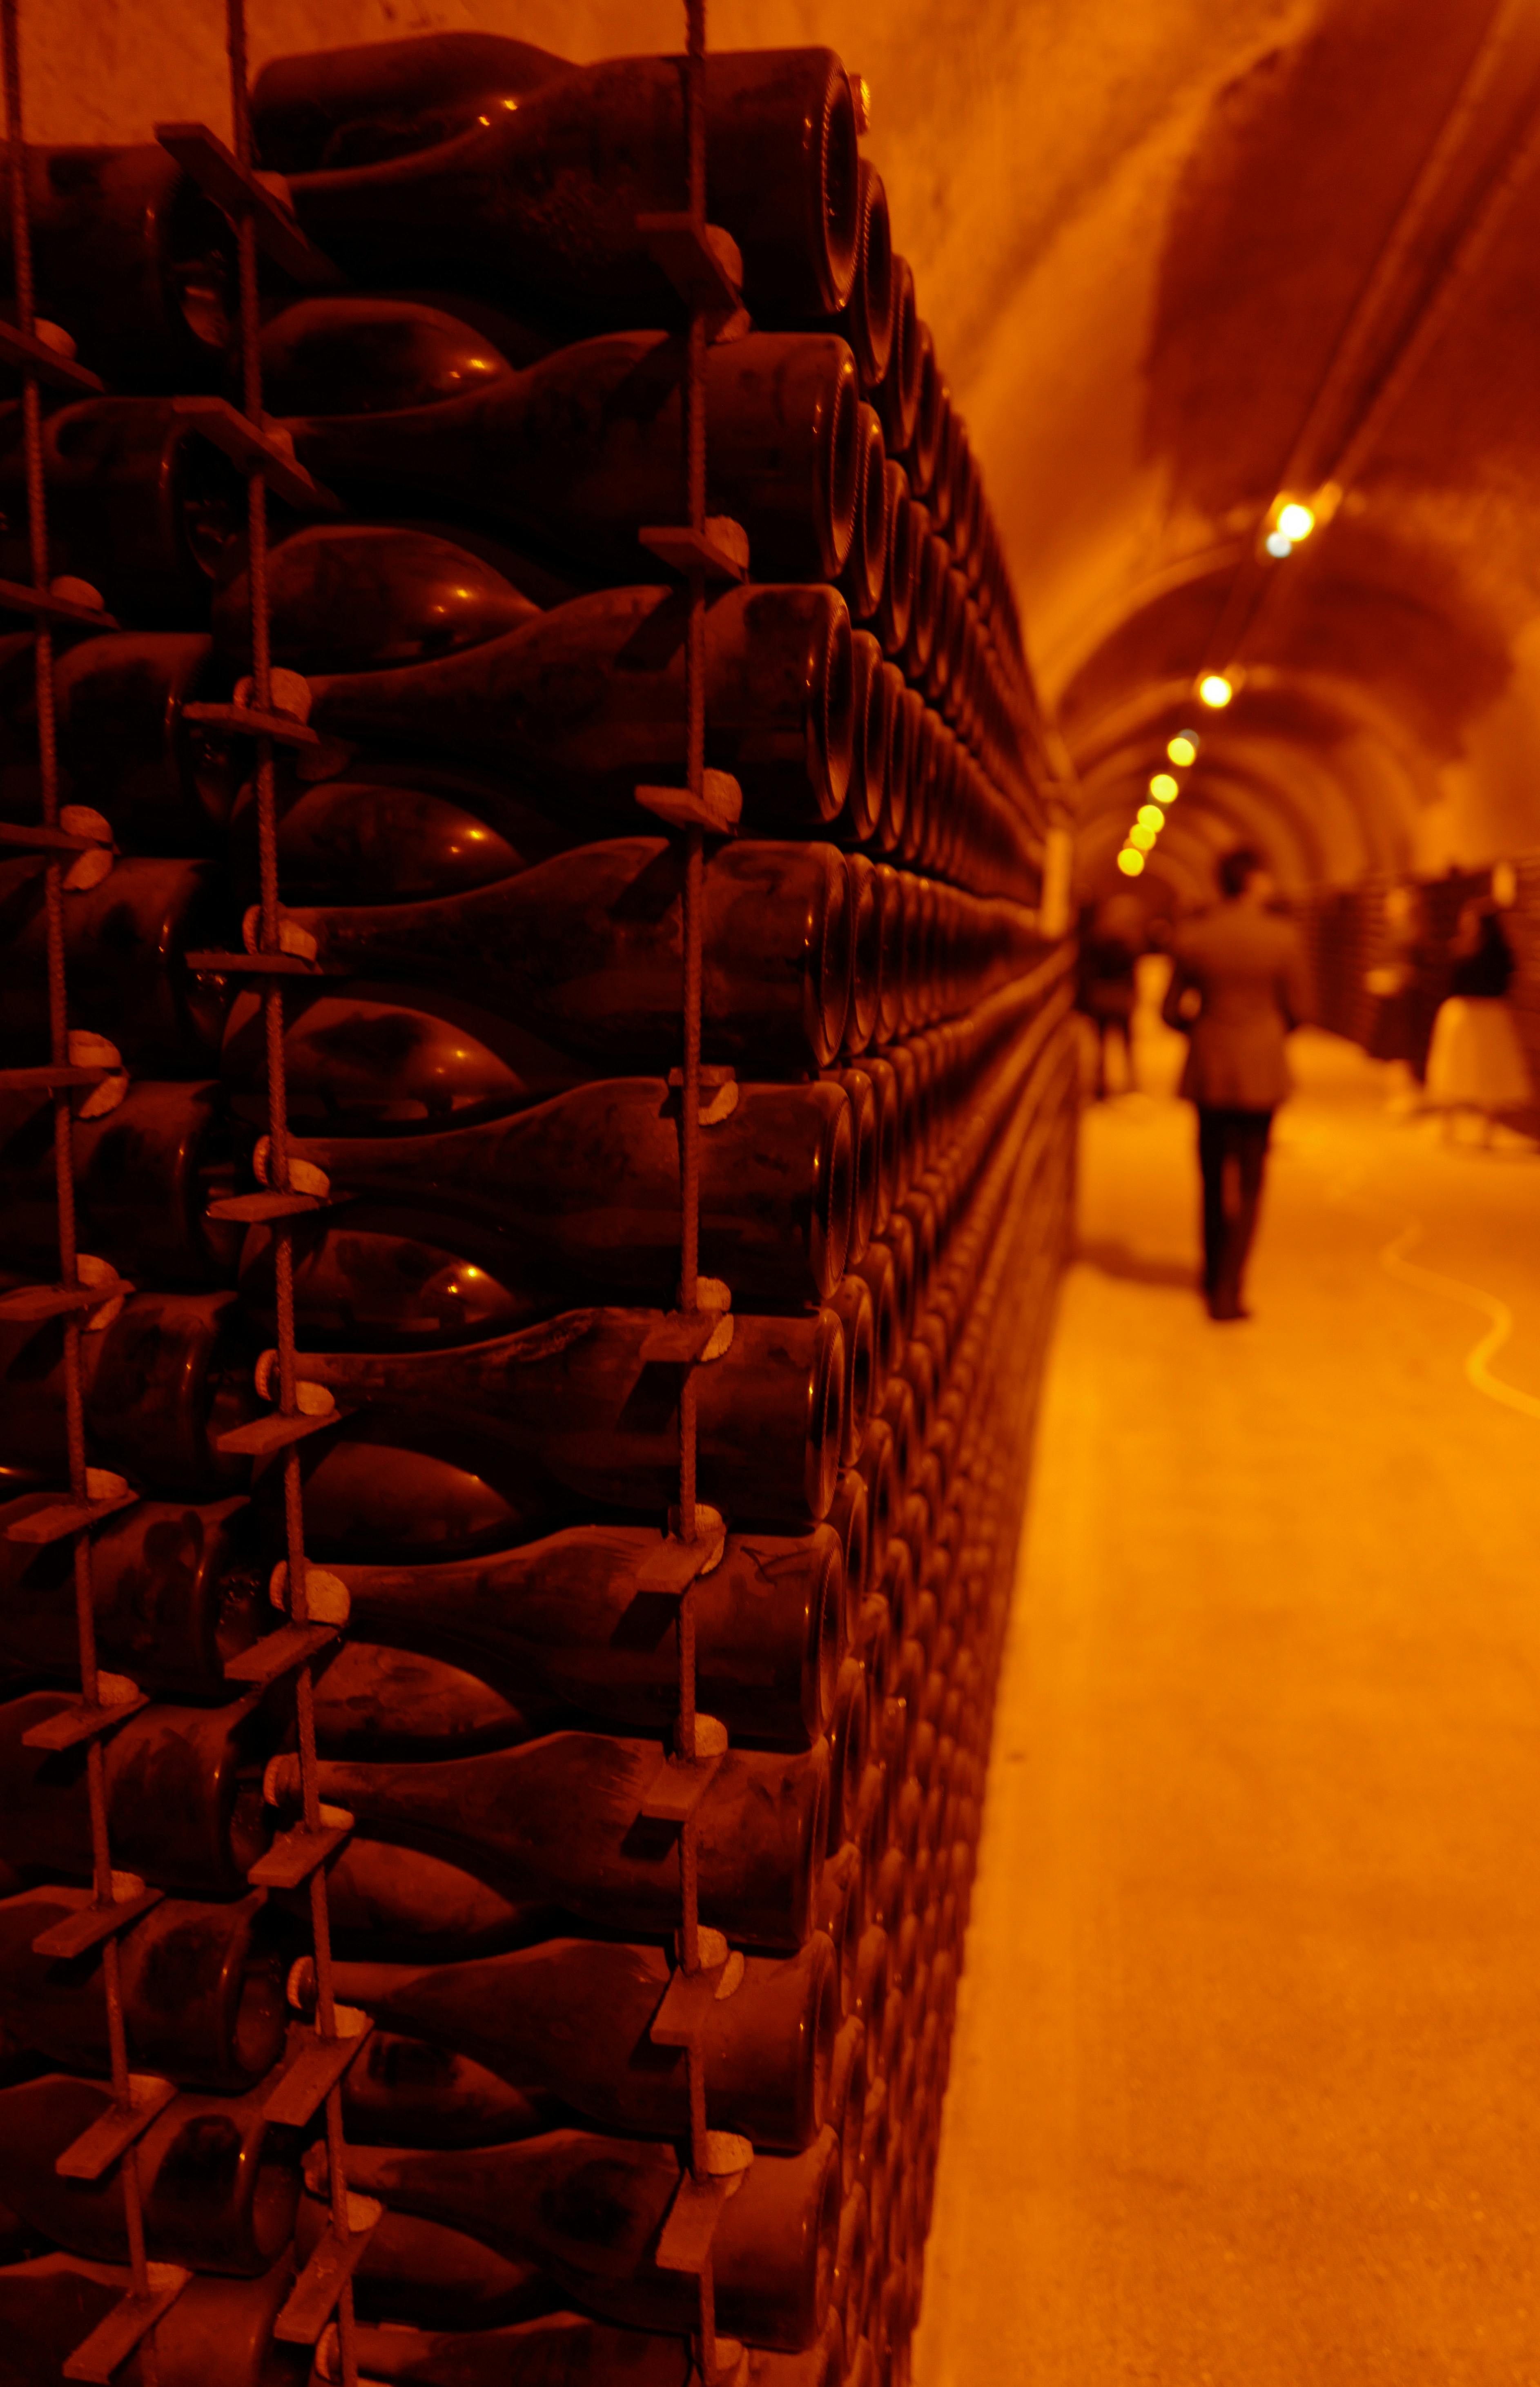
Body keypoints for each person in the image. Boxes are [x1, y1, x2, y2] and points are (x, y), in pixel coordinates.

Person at [1161, 848, 1310, 1322]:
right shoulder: (1282, 937)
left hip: (1209, 1068)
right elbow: (1302, 1011)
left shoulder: (1195, 936)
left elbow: (1168, 1011)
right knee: (1250, 1182)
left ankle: (1210, 1273)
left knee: (1209, 1175)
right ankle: (1230, 1288)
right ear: (1252, 881)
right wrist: (1265, 1036)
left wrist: (1205, 1032)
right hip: (1262, 1071)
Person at [1423, 878, 1531, 1136]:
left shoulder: (1463, 951)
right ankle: (1481, 1130)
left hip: (1468, 1015)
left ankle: (1452, 1125)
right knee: (1486, 1073)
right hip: (1490, 1016)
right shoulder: (1504, 953)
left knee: (1458, 1070)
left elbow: (1449, 983)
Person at [1078, 891, 1144, 1098]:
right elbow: (1133, 973)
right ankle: (1131, 1084)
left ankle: (1101, 1087)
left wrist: (1085, 1000)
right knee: (1127, 1043)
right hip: (1120, 998)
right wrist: (1136, 995)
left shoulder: (1097, 938)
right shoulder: (1131, 940)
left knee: (1101, 1044)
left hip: (1101, 997)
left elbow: (1087, 971)